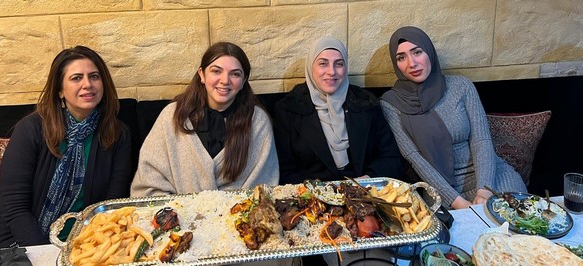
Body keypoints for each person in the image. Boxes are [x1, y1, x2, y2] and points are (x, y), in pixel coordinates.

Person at [0, 45, 132, 249]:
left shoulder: (117, 134)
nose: (88, 84)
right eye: (76, 78)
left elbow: (110, 205)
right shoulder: (32, 128)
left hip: (81, 240)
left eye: (94, 76)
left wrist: (91, 245)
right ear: (60, 90)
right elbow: (14, 206)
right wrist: (43, 252)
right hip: (11, 236)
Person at [380, 26, 527, 209]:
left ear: (429, 52)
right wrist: (457, 202)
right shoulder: (391, 103)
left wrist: (484, 190)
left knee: (519, 228)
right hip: (441, 190)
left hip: (491, 177)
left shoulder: (461, 86)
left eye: (417, 52)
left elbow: (481, 140)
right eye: (401, 57)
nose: (411, 63)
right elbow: (415, 158)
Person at [130, 42, 279, 197]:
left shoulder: (258, 122)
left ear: (243, 81)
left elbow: (263, 187)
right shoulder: (171, 116)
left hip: (238, 217)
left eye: (235, 74)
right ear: (201, 74)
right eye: (216, 71)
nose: (225, 80)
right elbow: (148, 183)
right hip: (179, 217)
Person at [273, 37, 403, 185]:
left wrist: (368, 179)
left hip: (366, 194)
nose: (331, 72)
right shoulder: (289, 109)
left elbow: (391, 158)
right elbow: (285, 171)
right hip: (313, 201)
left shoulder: (366, 104)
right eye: (323, 64)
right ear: (310, 67)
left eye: (339, 64)